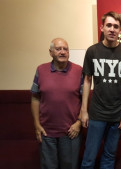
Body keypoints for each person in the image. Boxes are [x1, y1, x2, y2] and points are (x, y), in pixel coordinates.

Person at [80, 11, 121, 169]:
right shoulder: (92, 51)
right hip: (97, 113)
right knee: (89, 157)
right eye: (109, 25)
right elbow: (86, 81)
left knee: (109, 157)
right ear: (102, 27)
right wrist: (84, 111)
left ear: (120, 30)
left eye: (116, 26)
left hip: (117, 115)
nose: (112, 29)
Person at [31, 38, 83, 169]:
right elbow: (35, 98)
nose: (63, 52)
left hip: (71, 133)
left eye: (65, 49)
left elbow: (85, 100)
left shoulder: (79, 71)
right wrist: (37, 125)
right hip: (46, 133)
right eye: (58, 49)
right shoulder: (41, 70)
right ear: (50, 52)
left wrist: (79, 123)